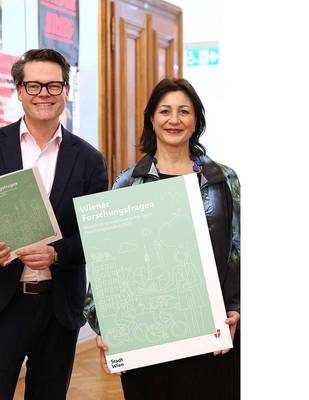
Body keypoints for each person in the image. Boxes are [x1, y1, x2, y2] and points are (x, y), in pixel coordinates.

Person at [0, 48, 108, 399]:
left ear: (66, 90)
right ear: (19, 90)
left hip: (58, 310)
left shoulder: (89, 160)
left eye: (53, 85)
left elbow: (97, 236)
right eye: (33, 86)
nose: (43, 94)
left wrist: (56, 254)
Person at [83, 78, 240, 400]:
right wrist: (107, 327)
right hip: (145, 336)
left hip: (212, 330)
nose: (174, 119)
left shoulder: (223, 179)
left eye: (184, 111)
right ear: (151, 119)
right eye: (165, 111)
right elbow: (108, 258)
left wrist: (238, 309)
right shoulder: (128, 182)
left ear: (196, 120)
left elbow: (239, 248)